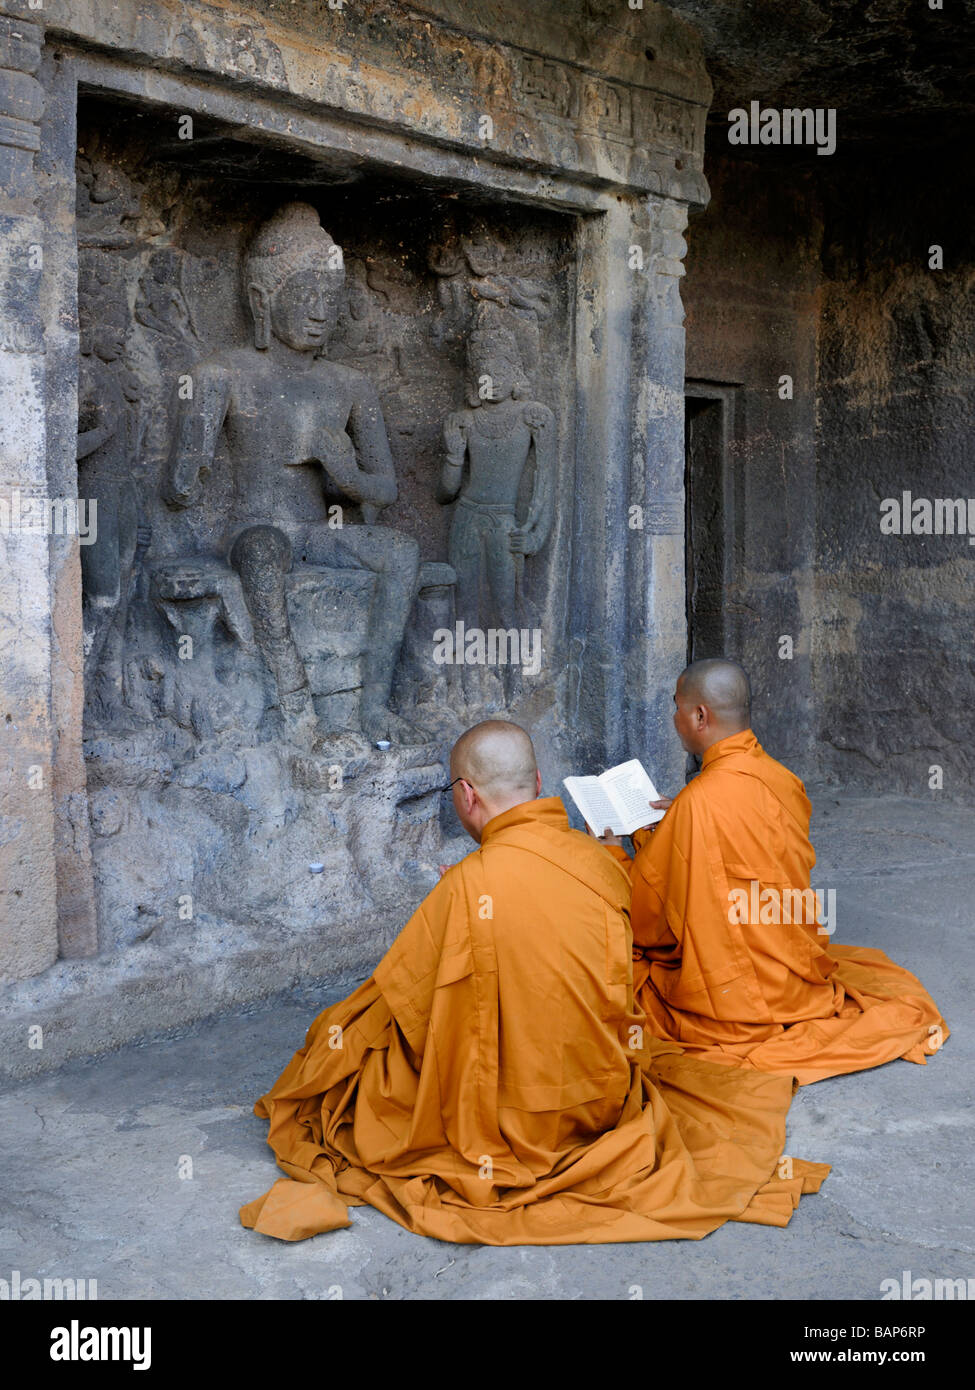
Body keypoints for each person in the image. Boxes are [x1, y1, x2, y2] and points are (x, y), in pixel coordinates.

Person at [240, 719, 827, 1244]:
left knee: (351, 1042)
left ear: (466, 795)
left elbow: (406, 1010)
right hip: (601, 1102)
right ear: (539, 780)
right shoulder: (597, 860)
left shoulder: (466, 885)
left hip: (512, 1122)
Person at [597, 660, 948, 1085]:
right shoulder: (780, 779)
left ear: (700, 716)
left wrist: (616, 852)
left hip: (729, 1003)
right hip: (790, 973)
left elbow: (649, 918)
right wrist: (682, 820)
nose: (674, 719)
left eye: (677, 708)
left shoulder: (699, 803)